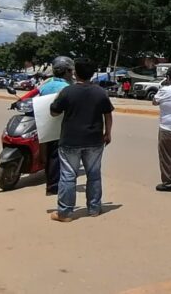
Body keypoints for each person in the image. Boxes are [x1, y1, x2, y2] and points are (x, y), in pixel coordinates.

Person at [49, 58, 114, 222]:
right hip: (95, 140)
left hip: (70, 140)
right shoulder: (100, 92)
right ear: (92, 74)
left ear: (76, 73)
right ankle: (94, 208)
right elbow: (108, 114)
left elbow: (54, 112)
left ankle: (65, 213)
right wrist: (108, 133)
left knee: (68, 176)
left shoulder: (67, 91)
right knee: (94, 175)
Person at [37, 56, 74, 196]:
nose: (72, 73)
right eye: (70, 71)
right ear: (66, 72)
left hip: (45, 124)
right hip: (61, 125)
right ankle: (55, 186)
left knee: (48, 154)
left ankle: (51, 183)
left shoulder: (45, 85)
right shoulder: (67, 87)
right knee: (59, 156)